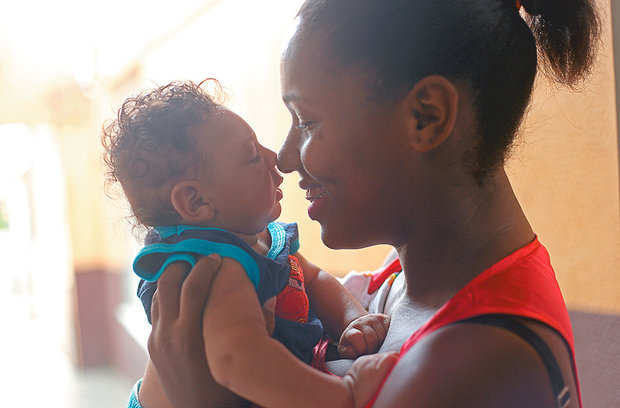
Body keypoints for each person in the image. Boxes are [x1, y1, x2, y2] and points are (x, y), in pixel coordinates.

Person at [143, 0, 601, 407]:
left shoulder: (470, 366)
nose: (282, 158)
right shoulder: (402, 280)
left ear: (427, 116)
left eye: (306, 120)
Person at [101, 80, 396, 408]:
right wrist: (344, 396)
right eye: (252, 155)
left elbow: (311, 278)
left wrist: (352, 320)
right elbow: (238, 360)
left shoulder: (259, 239)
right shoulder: (213, 263)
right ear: (196, 200)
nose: (276, 158)